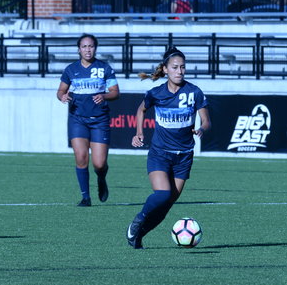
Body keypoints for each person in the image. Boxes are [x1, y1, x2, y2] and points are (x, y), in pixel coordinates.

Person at [126, 47, 211, 249]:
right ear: (165, 69)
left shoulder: (194, 92)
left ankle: (137, 236)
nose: (179, 71)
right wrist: (139, 132)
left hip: (184, 157)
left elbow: (207, 120)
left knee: (166, 205)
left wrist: (201, 129)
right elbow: (141, 110)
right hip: (160, 154)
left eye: (182, 67)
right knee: (163, 194)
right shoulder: (156, 93)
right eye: (175, 67)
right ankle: (138, 219)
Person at [57, 34, 119, 207]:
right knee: (81, 157)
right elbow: (60, 91)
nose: (87, 50)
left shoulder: (104, 68)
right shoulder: (71, 69)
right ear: (79, 49)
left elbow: (115, 92)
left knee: (99, 164)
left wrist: (104, 96)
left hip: (99, 120)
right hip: (77, 119)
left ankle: (101, 177)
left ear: (95, 48)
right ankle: (86, 197)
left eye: (91, 46)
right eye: (84, 46)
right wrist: (63, 96)